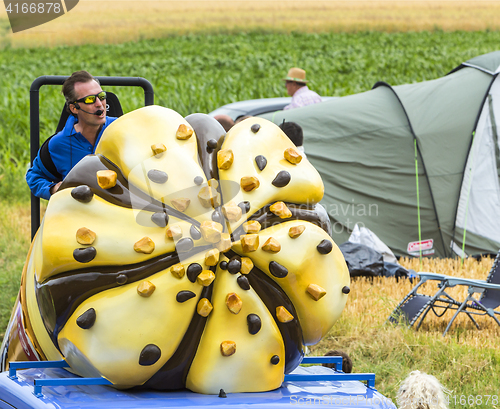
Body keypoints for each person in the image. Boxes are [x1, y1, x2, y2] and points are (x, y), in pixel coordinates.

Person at [26, 71, 117, 200]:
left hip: (120, 211)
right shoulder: (58, 144)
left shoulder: (121, 129)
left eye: (101, 96)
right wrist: (53, 189)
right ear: (74, 108)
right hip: (79, 214)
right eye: (90, 99)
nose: (99, 104)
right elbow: (34, 176)